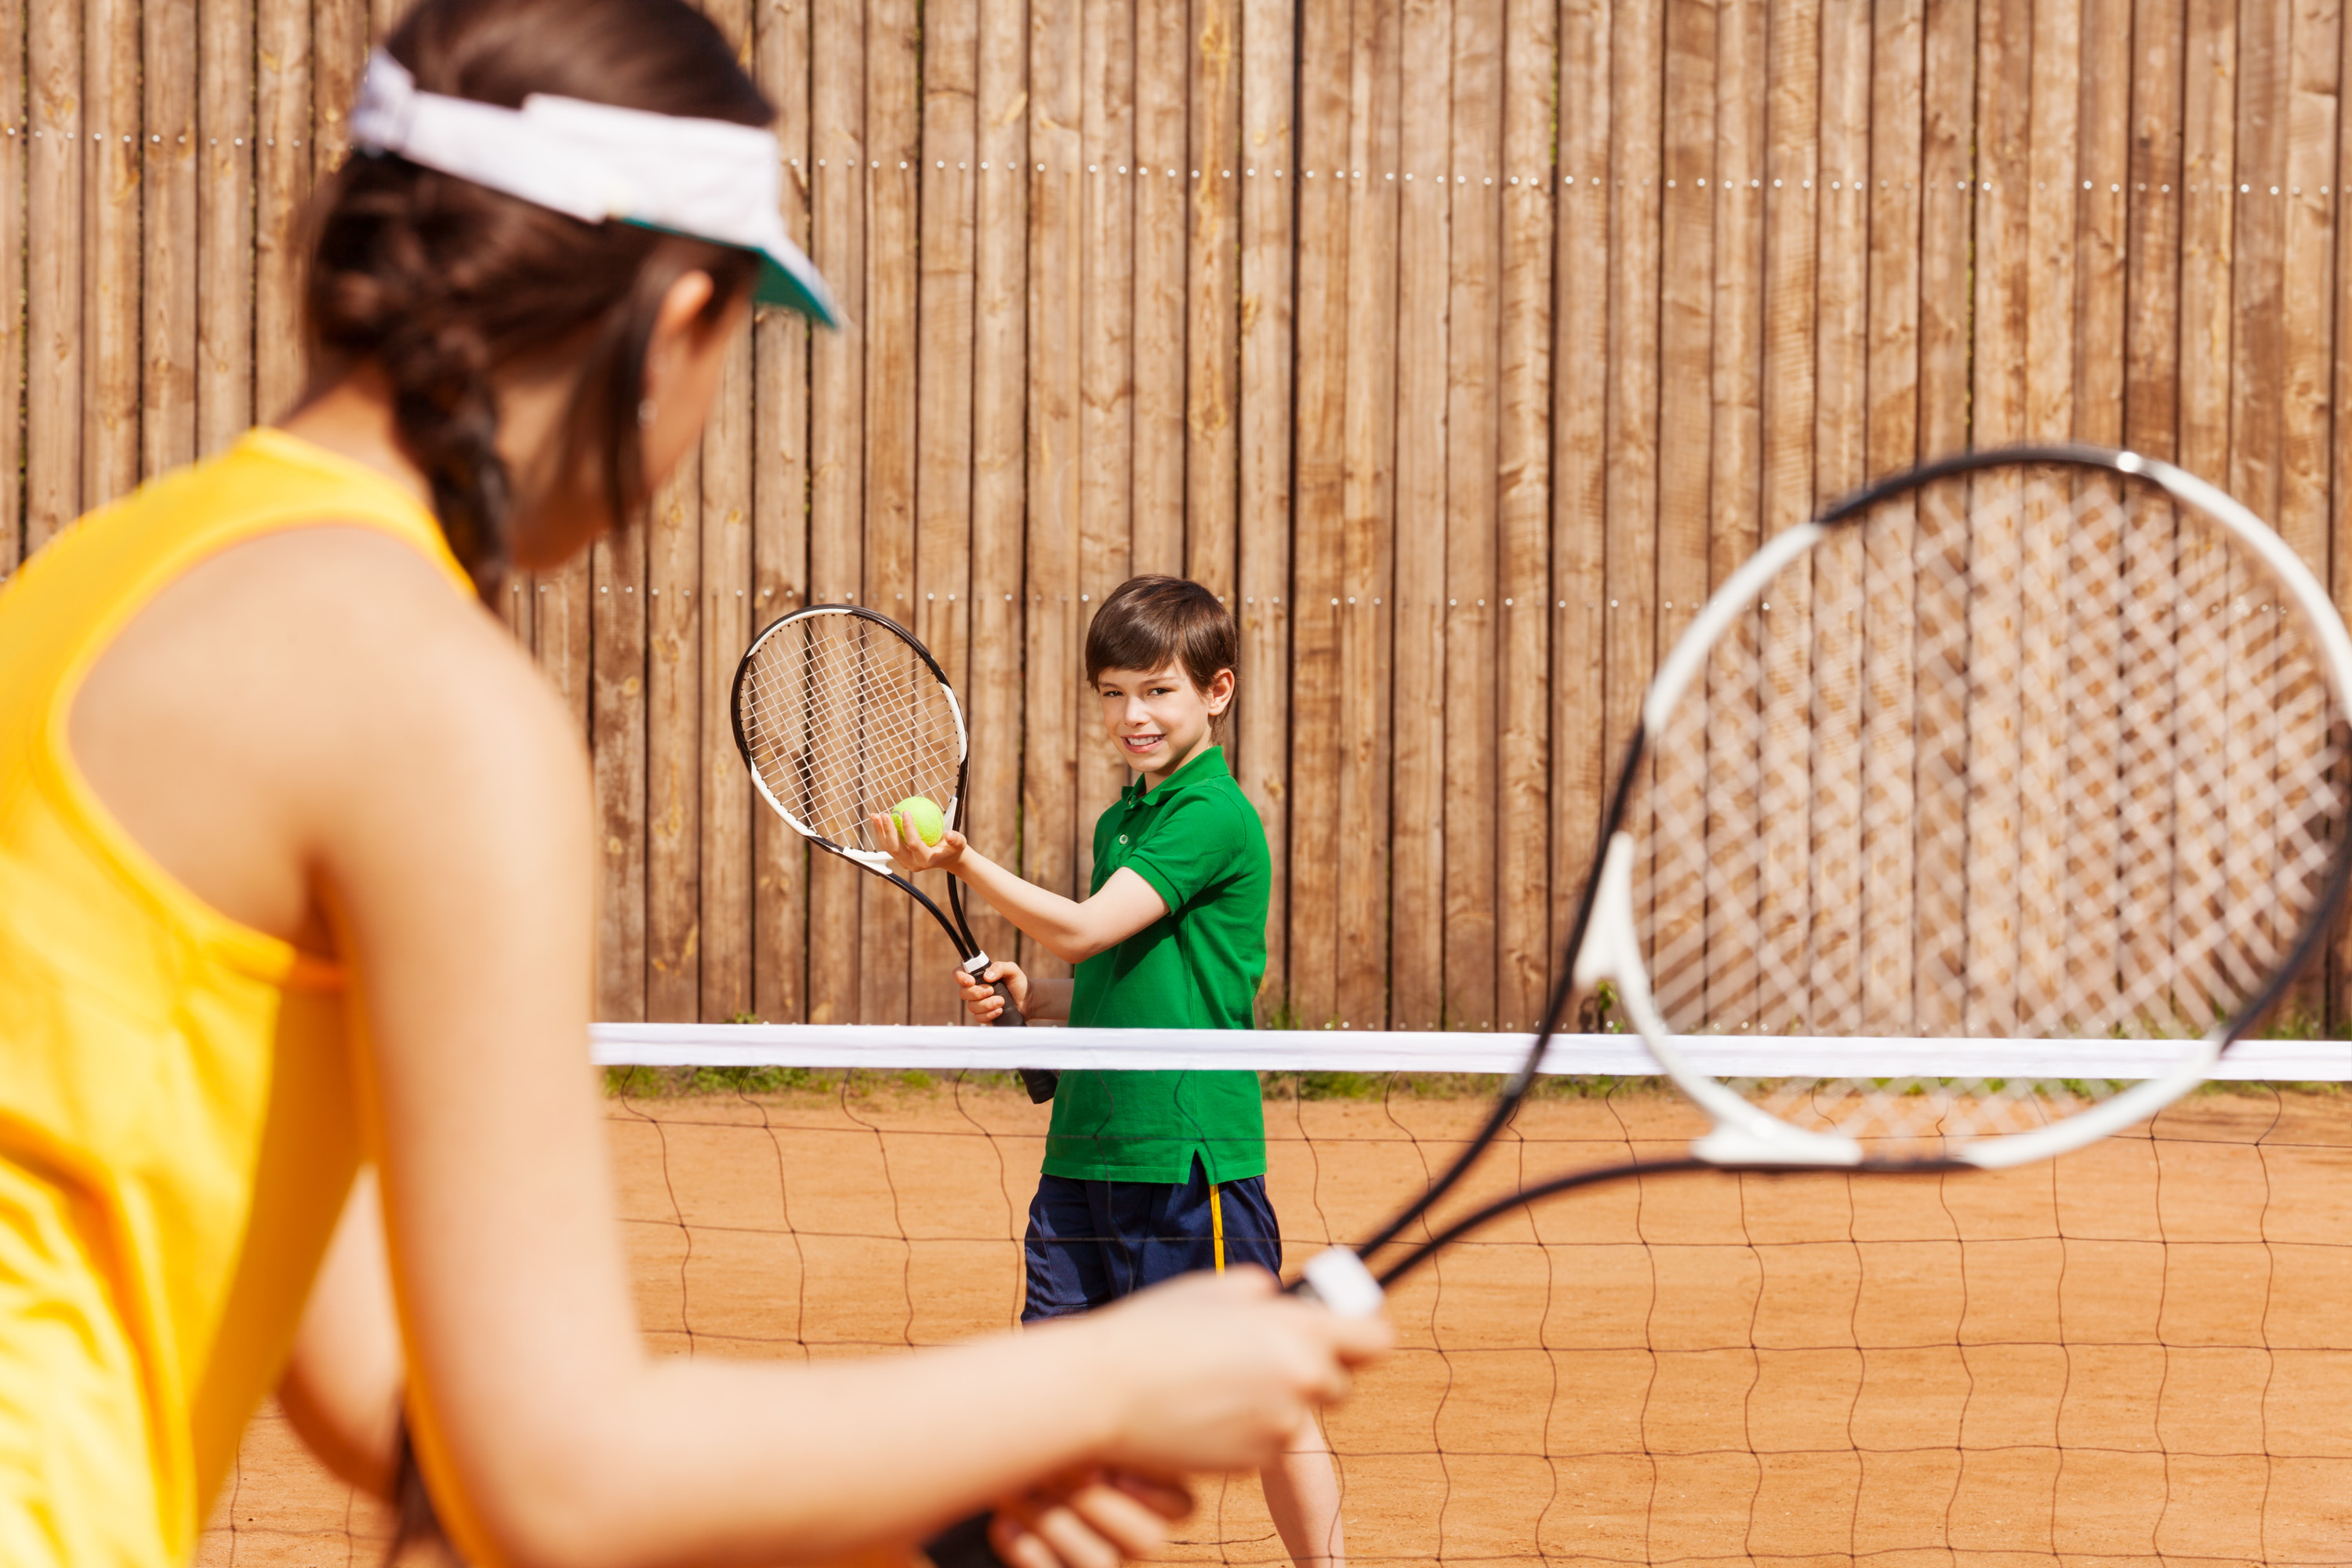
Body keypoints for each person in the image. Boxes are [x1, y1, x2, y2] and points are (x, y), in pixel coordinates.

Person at [0, 4, 1389, 1566]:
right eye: (739, 339)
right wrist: (1102, 1381)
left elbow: (377, 1388)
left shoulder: (103, 580)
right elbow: (557, 1481)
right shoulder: (434, 702)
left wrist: (931, 1481)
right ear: (671, 324)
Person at [878, 577, 1352, 1568]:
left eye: (1158, 691)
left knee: (1263, 1402)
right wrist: (1035, 995)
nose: (1133, 715)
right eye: (1112, 694)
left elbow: (1093, 924)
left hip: (1187, 1158)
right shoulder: (1120, 822)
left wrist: (962, 864)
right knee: (1054, 1392)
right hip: (1084, 1155)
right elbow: (1111, 970)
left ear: (1216, 692)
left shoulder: (1212, 814)